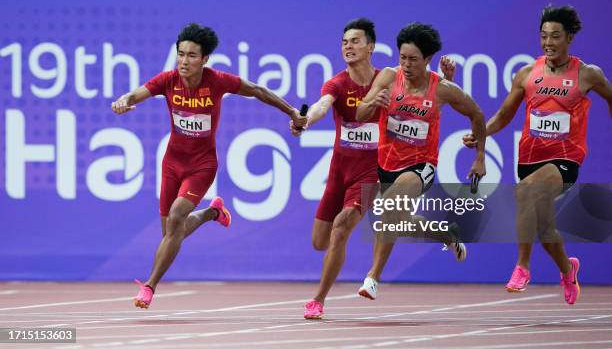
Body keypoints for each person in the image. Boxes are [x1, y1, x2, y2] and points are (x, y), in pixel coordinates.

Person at [112, 23, 307, 309]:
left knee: (177, 217)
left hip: (201, 166)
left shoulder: (216, 81)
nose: (184, 61)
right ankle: (213, 212)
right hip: (172, 163)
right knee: (170, 232)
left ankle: (149, 286)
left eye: (191, 55)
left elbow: (256, 90)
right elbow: (137, 93)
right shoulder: (167, 81)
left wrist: (290, 110)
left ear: (204, 59)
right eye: (180, 54)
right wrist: (123, 100)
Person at [295, 18, 457, 320]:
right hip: (339, 169)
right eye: (344, 41)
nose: (348, 46)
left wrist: (446, 78)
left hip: (375, 169)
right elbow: (320, 105)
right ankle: (441, 231)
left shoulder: (393, 78)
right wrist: (306, 120)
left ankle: (318, 300)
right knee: (320, 241)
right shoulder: (337, 83)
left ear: (371, 47)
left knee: (342, 227)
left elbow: (428, 100)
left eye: (355, 41)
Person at [463, 4, 612, 305]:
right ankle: (568, 269)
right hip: (530, 157)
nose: (548, 42)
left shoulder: (588, 74)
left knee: (524, 192)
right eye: (544, 36)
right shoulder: (527, 73)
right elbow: (504, 115)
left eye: (555, 36)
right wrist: (481, 134)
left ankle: (522, 266)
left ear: (569, 37)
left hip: (566, 158)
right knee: (545, 230)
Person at [355, 22, 486, 300]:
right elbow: (360, 114)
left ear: (428, 59)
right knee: (398, 221)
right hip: (386, 162)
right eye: (402, 57)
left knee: (389, 212)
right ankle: (446, 235)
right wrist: (372, 103)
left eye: (413, 59)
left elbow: (476, 114)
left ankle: (373, 278)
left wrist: (479, 157)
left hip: (420, 165)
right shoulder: (389, 77)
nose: (406, 64)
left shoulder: (442, 89)